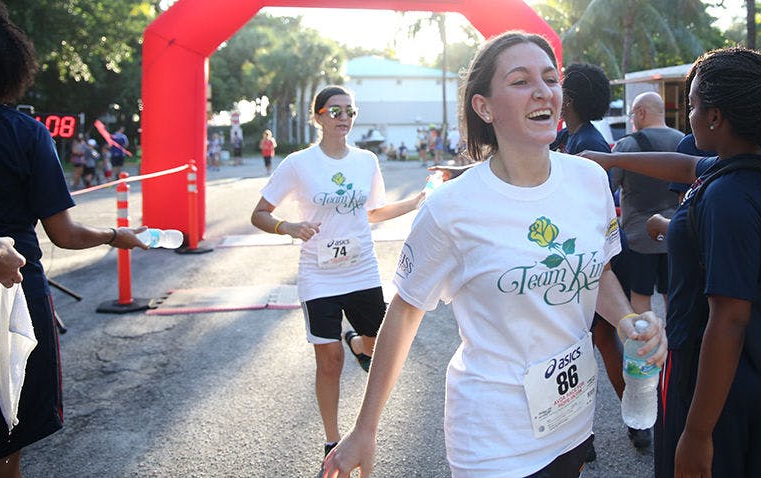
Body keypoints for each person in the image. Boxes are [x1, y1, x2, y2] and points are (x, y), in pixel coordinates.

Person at [322, 32, 667, 478]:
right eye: (521, 81)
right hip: (492, 436)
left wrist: (625, 321)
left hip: (572, 418)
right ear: (485, 108)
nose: (543, 91)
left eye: (550, 79)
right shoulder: (452, 207)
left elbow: (596, 270)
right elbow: (404, 313)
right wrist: (365, 429)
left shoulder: (589, 180)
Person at [580, 46, 761, 477]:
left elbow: (729, 320)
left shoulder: (728, 198)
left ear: (716, 117)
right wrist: (610, 159)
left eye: (693, 106)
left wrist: (698, 434)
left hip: (718, 383)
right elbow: (686, 167)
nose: (690, 116)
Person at [0, 0, 148, 478]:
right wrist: (116, 235)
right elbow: (64, 233)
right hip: (9, 298)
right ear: (9, 62)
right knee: (2, 433)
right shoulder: (25, 133)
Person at [250, 85, 424, 466]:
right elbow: (259, 214)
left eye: (350, 111)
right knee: (328, 362)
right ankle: (332, 441)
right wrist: (288, 227)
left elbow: (373, 213)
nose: (343, 118)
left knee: (379, 348)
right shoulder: (298, 163)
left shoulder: (366, 161)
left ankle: (358, 342)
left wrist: (413, 203)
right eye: (335, 111)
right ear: (318, 117)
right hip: (319, 275)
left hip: (361, 270)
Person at [560, 61, 652, 455]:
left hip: (595, 260)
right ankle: (633, 423)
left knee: (586, 344)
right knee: (601, 339)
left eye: (557, 87)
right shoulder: (570, 136)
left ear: (570, 99)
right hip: (587, 257)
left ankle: (587, 433)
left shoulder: (588, 144)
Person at [611, 92, 684, 316]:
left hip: (639, 238)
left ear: (641, 112)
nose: (633, 119)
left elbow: (609, 187)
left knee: (640, 298)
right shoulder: (684, 142)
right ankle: (674, 347)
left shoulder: (627, 146)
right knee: (674, 296)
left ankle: (644, 348)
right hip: (675, 234)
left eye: (633, 114)